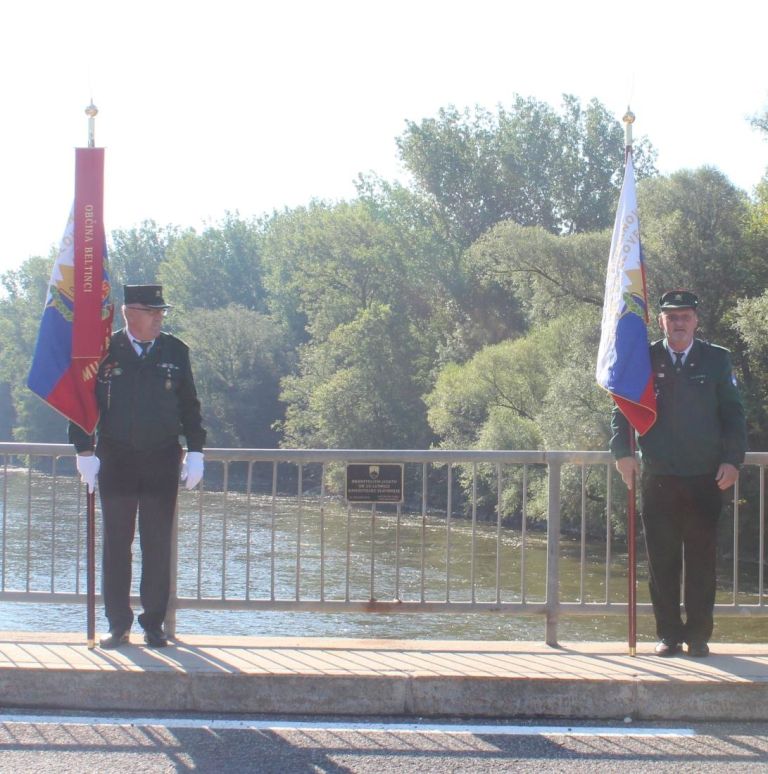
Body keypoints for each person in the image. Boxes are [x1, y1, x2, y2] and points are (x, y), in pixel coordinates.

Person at [610, 290, 746, 658]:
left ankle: (699, 637)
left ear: (696, 320)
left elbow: (734, 416)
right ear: (662, 322)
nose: (680, 323)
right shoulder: (645, 359)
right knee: (663, 562)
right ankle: (669, 635)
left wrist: (733, 460)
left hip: (706, 477)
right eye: (673, 317)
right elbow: (623, 407)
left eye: (685, 316)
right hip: (658, 477)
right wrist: (622, 452)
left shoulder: (717, 360)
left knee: (702, 561)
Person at [69, 284, 206, 649]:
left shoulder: (175, 351)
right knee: (117, 544)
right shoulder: (103, 351)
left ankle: (154, 623)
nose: (160, 317)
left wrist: (196, 451)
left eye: (162, 311)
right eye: (153, 311)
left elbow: (190, 406)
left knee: (157, 544)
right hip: (116, 459)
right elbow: (81, 402)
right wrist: (83, 450)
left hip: (162, 458)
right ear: (130, 313)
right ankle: (118, 624)